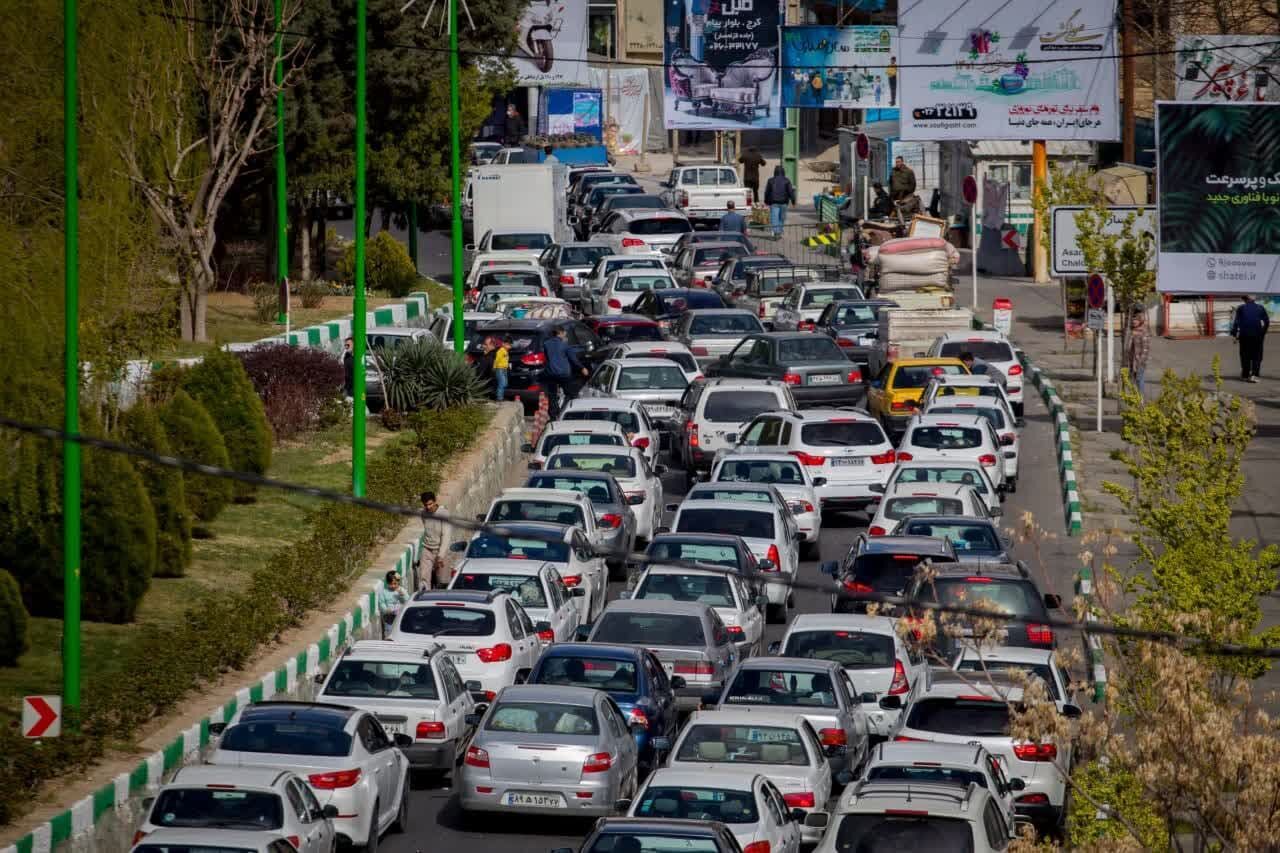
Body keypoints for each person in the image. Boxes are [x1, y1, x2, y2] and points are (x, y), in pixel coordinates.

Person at [542, 326, 589, 418]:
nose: (565, 334)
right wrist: (582, 368)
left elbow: (547, 358)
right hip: (564, 373)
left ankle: (553, 415)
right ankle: (565, 410)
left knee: (552, 395)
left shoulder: (546, 344)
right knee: (571, 393)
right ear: (560, 333)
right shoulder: (565, 345)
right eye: (564, 333)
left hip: (551, 373)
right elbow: (573, 359)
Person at [419, 491, 451, 588]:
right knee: (424, 578)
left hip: (440, 550)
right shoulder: (423, 513)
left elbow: (446, 535)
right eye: (426, 505)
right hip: (427, 549)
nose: (428, 507)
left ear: (435, 501)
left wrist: (440, 555)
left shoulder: (444, 514)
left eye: (430, 504)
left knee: (442, 580)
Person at [763, 165, 795, 238]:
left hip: (774, 202)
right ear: (783, 171)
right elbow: (790, 192)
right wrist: (793, 201)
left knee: (774, 218)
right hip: (784, 202)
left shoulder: (770, 180)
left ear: (775, 172)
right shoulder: (787, 180)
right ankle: (779, 231)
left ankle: (776, 232)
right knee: (782, 218)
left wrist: (766, 201)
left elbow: (767, 192)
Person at [377, 570, 409, 637]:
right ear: (387, 583)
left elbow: (407, 601)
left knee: (400, 630)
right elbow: (381, 603)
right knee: (389, 630)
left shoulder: (401, 590)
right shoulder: (383, 592)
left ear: (398, 582)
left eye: (395, 584)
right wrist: (385, 610)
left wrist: (402, 595)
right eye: (391, 584)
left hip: (400, 615)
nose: (393, 586)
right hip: (389, 616)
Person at [1126, 310, 1151, 396]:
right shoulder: (1132, 331)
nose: (1133, 321)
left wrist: (1140, 361)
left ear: (1140, 320)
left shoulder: (1144, 332)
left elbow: (1146, 349)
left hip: (1139, 361)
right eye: (1133, 320)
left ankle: (1141, 401)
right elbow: (1129, 347)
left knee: (1139, 380)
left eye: (1136, 320)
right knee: (1132, 380)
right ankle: (1135, 399)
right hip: (1131, 361)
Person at [493, 336, 511, 401]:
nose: (509, 346)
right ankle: (499, 398)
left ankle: (501, 396)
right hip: (500, 368)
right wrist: (495, 367)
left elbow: (505, 360)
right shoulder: (501, 351)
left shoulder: (506, 351)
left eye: (510, 345)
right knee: (502, 383)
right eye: (508, 344)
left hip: (504, 369)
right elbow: (497, 359)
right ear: (503, 344)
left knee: (505, 383)